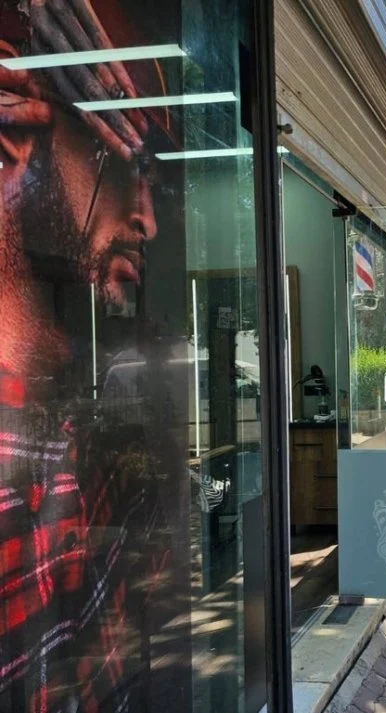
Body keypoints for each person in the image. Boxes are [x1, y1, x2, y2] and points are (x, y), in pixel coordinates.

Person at [0, 2, 185, 711]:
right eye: (126, 164)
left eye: (154, 182)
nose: (148, 220)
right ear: (15, 130)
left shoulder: (77, 423)